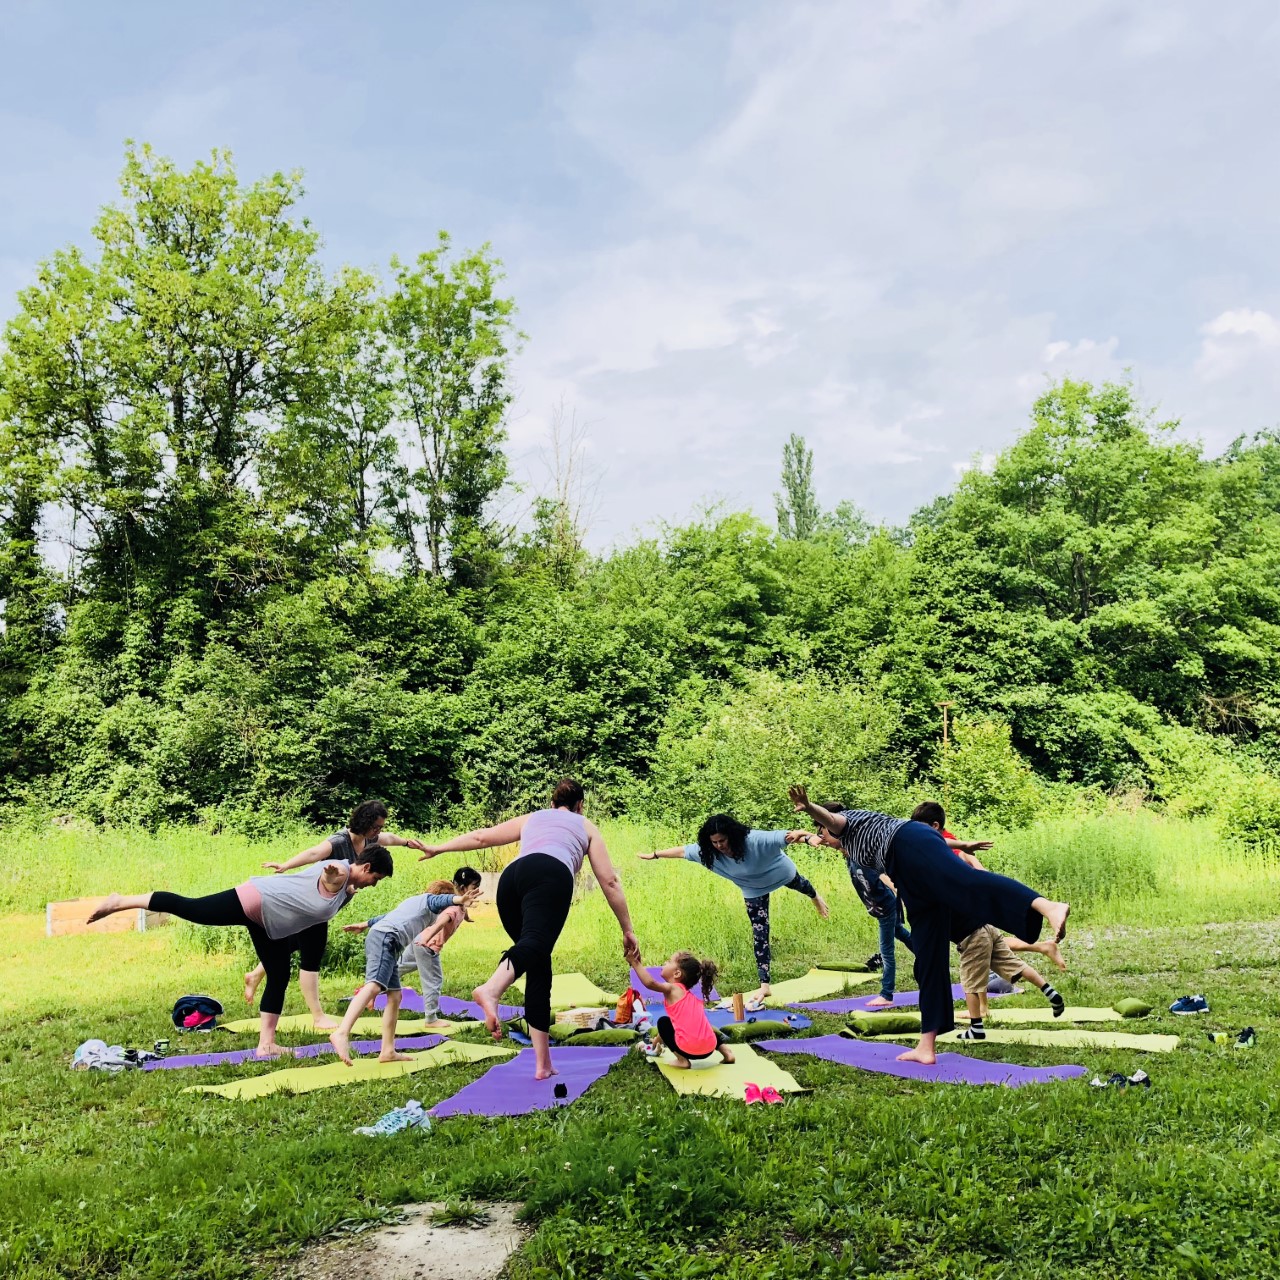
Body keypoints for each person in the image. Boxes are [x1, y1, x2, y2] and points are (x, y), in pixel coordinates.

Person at [788, 785, 1069, 1066]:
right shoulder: (850, 843)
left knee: (968, 884)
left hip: (907, 847)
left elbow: (832, 820)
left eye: (822, 832)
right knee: (927, 956)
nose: (823, 838)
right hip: (911, 877)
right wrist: (962, 846)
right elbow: (927, 844)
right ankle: (927, 1045)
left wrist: (810, 806)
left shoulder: (847, 824)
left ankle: (1046, 906)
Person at [416, 778, 638, 1081]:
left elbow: (482, 837)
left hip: (511, 881)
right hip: (550, 875)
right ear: (580, 806)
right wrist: (627, 928)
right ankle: (491, 989)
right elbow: (609, 880)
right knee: (534, 945)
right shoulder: (585, 825)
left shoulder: (535, 817)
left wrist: (438, 848)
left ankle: (543, 1063)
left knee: (537, 962)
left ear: (552, 803)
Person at [86, 848, 394, 1058]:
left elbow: (331, 896)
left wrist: (349, 890)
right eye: (375, 879)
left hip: (267, 919)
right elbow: (330, 876)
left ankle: (267, 1045)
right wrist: (331, 875)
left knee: (278, 974)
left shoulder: (348, 887)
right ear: (366, 867)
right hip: (254, 900)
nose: (373, 884)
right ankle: (120, 901)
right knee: (192, 908)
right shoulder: (339, 871)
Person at [243, 800, 431, 1023]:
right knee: (311, 955)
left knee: (292, 942)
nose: (378, 831)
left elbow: (389, 838)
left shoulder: (370, 839)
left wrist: (408, 843)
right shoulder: (339, 841)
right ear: (365, 821)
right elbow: (314, 853)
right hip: (313, 906)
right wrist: (286, 865)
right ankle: (317, 1015)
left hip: (326, 907)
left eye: (380, 827)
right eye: (376, 826)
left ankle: (256, 974)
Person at [637, 815, 830, 1008]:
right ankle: (765, 985)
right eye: (715, 842)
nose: (719, 845)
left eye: (723, 840)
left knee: (803, 886)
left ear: (733, 836)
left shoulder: (753, 840)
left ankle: (816, 897)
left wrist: (808, 838)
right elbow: (682, 851)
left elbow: (791, 836)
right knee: (760, 935)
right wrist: (655, 855)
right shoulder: (707, 852)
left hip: (781, 874)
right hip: (753, 889)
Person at [330, 876, 482, 1065]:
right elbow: (439, 900)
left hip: (389, 941)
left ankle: (387, 1051)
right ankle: (342, 1032)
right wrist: (459, 899)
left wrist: (364, 924)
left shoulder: (413, 902)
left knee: (395, 996)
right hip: (387, 938)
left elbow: (387, 916)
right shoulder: (429, 901)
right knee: (375, 986)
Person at [909, 801, 1067, 976]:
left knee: (980, 938)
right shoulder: (941, 839)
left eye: (920, 828)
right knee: (988, 938)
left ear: (935, 826)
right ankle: (1043, 947)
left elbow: (964, 856)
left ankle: (1043, 940)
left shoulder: (940, 840)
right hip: (963, 899)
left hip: (968, 900)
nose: (917, 834)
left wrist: (983, 878)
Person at [804, 818, 913, 1008]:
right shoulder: (846, 851)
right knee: (900, 933)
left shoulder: (863, 855)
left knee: (886, 950)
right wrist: (808, 837)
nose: (827, 841)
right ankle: (928, 954)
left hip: (886, 906)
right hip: (878, 907)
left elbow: (885, 876)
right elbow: (829, 842)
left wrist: (899, 893)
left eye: (826, 833)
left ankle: (886, 994)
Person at [954, 924, 1064, 1039]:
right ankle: (1050, 992)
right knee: (1015, 965)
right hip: (988, 929)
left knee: (970, 981)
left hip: (971, 937)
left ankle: (976, 1029)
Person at [631, 949, 735, 1069]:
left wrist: (635, 963)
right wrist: (655, 1043)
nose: (665, 963)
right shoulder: (687, 996)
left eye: (669, 961)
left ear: (677, 973)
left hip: (689, 1050)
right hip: (709, 1048)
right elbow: (674, 1027)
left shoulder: (672, 989)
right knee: (702, 1027)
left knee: (663, 1022)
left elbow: (650, 983)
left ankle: (682, 1060)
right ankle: (726, 1052)